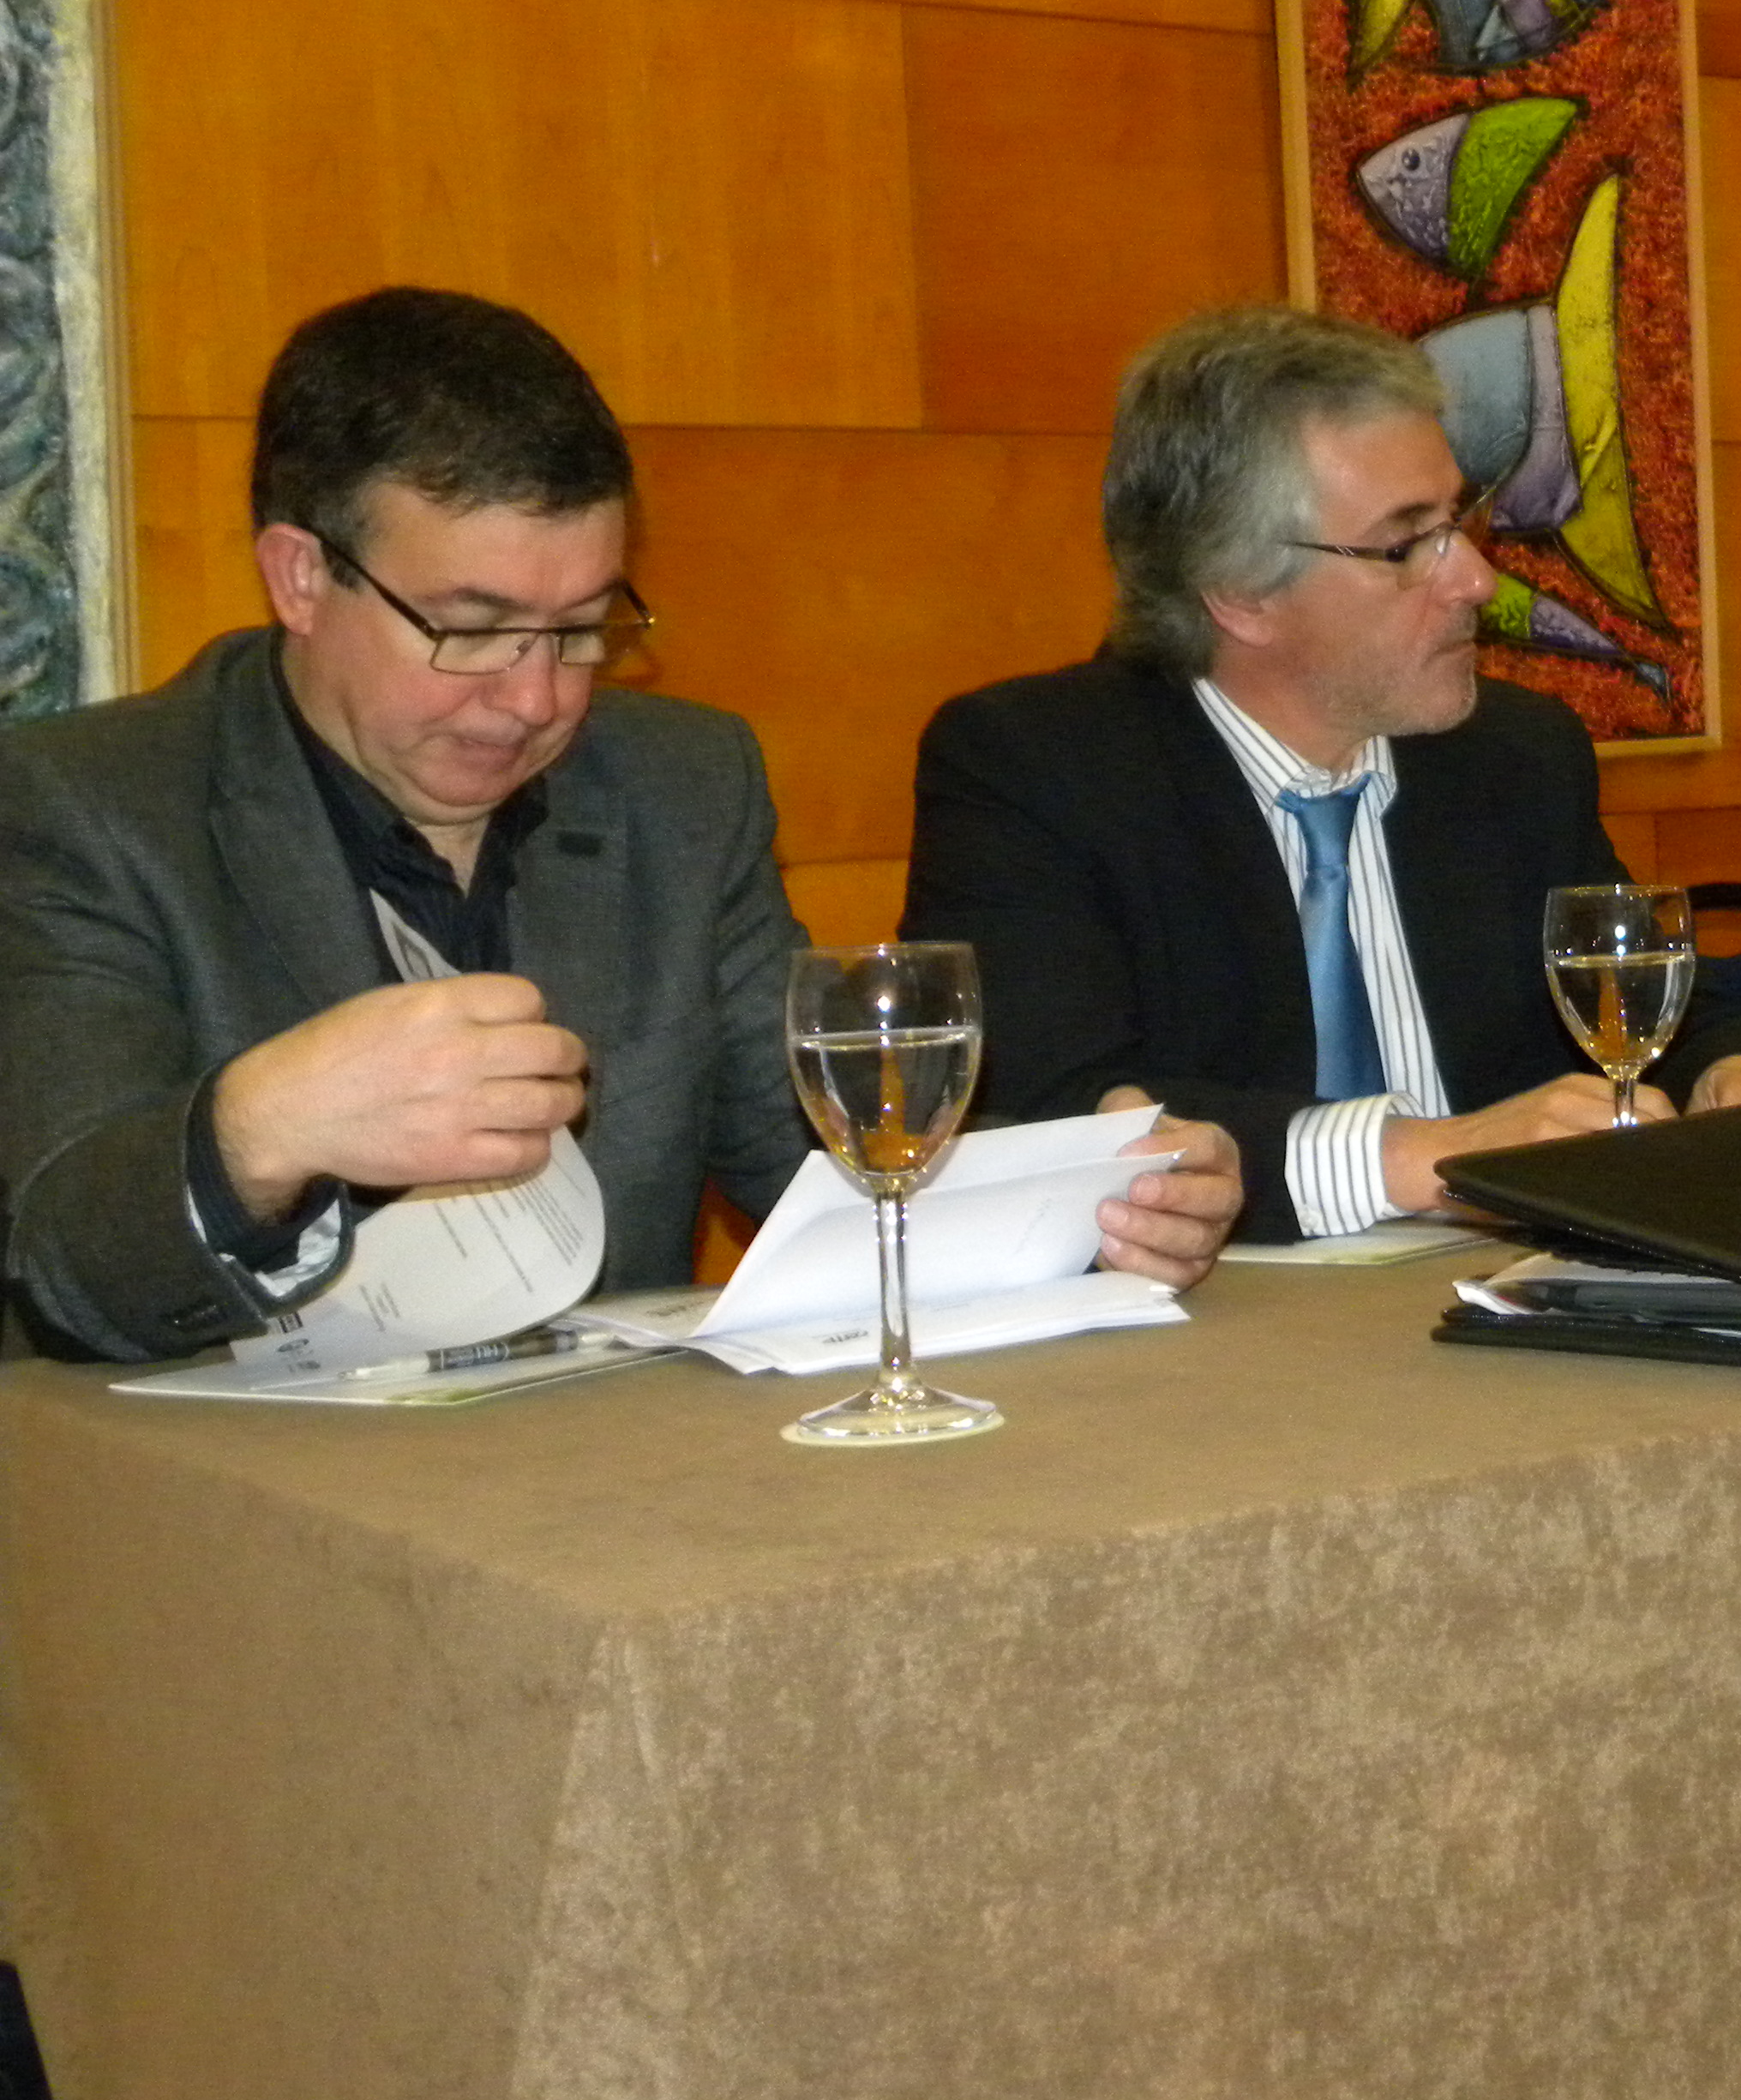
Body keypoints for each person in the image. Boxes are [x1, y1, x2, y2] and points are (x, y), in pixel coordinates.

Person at [0, 287, 1240, 1365]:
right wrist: (260, 1132)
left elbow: (817, 1166)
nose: (536, 699)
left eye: (584, 629)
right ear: (301, 577)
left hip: (610, 1489)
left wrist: (1096, 1194)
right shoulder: (90, 806)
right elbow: (64, 1277)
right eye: (473, 631)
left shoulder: (679, 785)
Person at [901, 304, 1741, 1244]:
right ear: (1240, 593)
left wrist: (1733, 1073)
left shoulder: (1516, 756)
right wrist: (1419, 1157)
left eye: (1459, 520)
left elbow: (1641, 1013)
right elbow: (1047, 1108)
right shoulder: (1038, 769)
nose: (1477, 580)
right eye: (1407, 544)